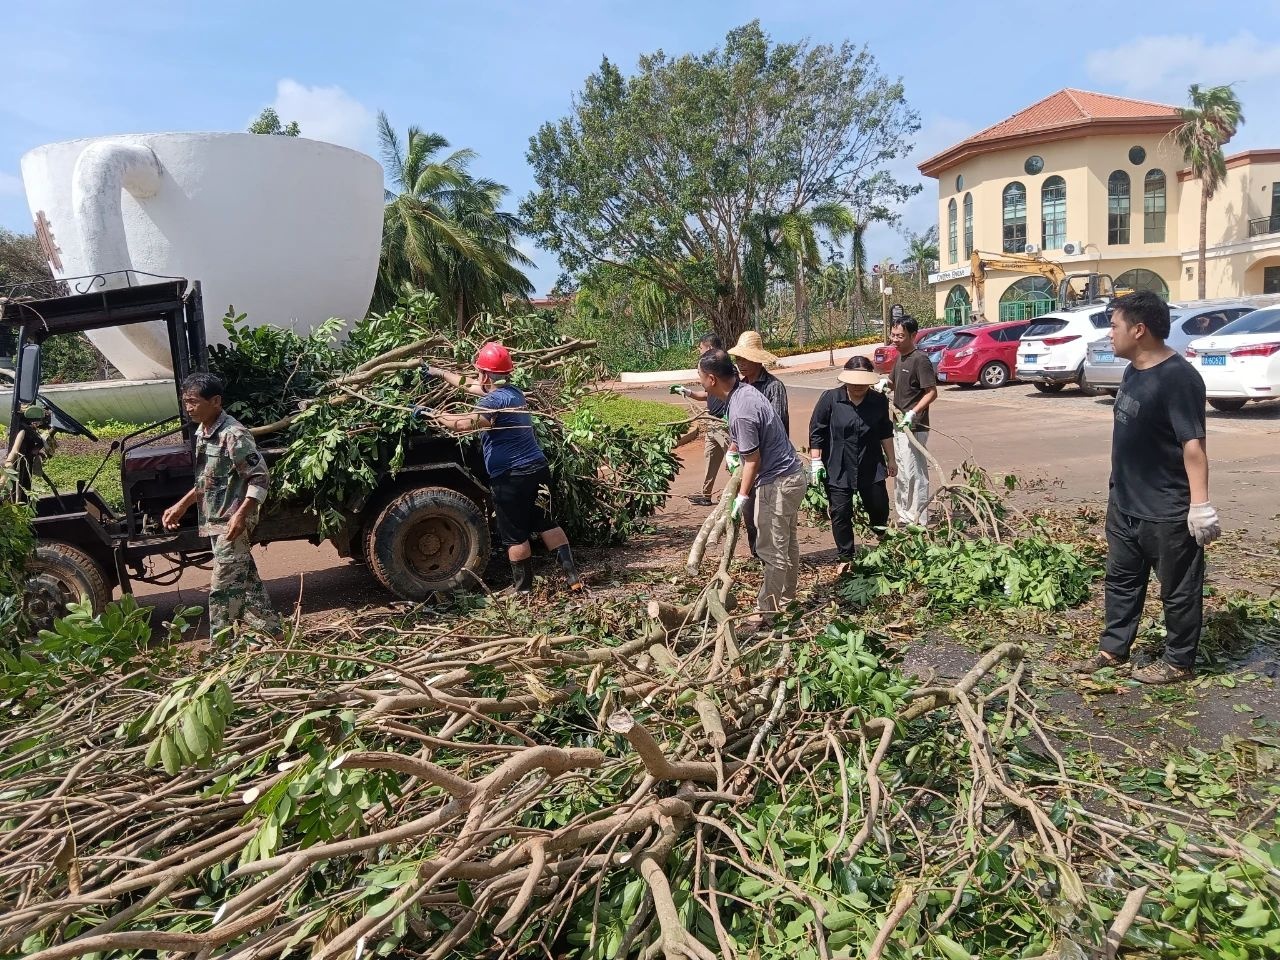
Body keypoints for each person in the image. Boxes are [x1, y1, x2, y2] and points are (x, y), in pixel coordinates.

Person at [1071, 291, 1221, 684]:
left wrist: (1200, 505)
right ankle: (1114, 649)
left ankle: (1178, 662)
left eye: (1115, 326)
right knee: (1121, 580)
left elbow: (1193, 446)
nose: (1109, 334)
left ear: (1139, 330)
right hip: (1124, 503)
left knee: (1178, 590)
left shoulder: (1179, 379)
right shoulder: (1134, 370)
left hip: (1166, 510)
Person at [421, 342, 583, 595]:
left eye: (478, 372)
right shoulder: (513, 393)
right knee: (546, 523)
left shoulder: (492, 402)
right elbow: (467, 384)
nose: (476, 377)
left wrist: (432, 414)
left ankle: (522, 590)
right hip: (537, 470)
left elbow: (465, 424)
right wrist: (437, 372)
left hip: (512, 478)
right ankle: (573, 578)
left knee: (514, 535)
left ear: (485, 375)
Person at [162, 373, 280, 641]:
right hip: (216, 521)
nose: (189, 407)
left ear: (215, 401)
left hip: (232, 523)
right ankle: (273, 632)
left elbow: (260, 477)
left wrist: (240, 517)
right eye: (185, 402)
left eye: (193, 401)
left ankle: (223, 650)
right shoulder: (204, 433)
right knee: (247, 582)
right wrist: (181, 505)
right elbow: (208, 480)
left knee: (222, 589)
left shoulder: (233, 434)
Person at [698, 349, 804, 630]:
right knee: (787, 541)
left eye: (700, 378)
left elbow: (753, 460)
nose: (699, 383)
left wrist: (741, 496)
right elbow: (747, 438)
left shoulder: (741, 408)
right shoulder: (744, 392)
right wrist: (734, 448)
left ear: (711, 379)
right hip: (792, 476)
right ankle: (787, 597)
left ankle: (766, 611)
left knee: (771, 548)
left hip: (778, 482)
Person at [808, 356, 897, 561]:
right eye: (854, 382)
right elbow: (817, 431)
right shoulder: (830, 399)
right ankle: (846, 556)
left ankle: (884, 541)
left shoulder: (878, 401)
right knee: (840, 512)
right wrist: (815, 461)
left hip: (870, 462)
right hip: (838, 464)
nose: (858, 386)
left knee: (878, 506)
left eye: (863, 383)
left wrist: (891, 459)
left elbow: (885, 431)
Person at [727, 330, 790, 556]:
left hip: (770, 464)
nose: (741, 364)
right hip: (749, 461)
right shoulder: (741, 387)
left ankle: (771, 557)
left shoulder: (774, 387)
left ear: (757, 359)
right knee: (749, 514)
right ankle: (757, 555)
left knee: (767, 516)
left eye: (746, 359)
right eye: (738, 360)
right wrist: (733, 450)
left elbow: (775, 427)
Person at [889, 316, 938, 526]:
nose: (895, 340)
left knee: (914, 472)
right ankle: (903, 514)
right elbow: (893, 383)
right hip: (898, 424)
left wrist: (913, 413)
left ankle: (918, 518)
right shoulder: (900, 358)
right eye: (893, 335)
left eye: (900, 336)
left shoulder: (920, 359)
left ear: (913, 335)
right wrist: (883, 384)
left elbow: (932, 393)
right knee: (900, 470)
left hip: (914, 426)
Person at [670, 333, 728, 507]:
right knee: (710, 457)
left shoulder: (725, 369)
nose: (699, 351)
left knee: (736, 460)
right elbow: (707, 394)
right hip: (712, 423)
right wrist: (688, 392)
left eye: (701, 348)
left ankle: (744, 492)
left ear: (709, 348)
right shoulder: (711, 372)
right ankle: (706, 494)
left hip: (724, 425)